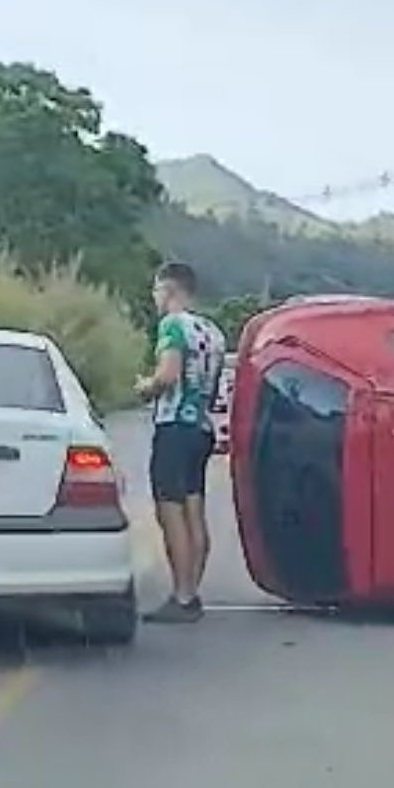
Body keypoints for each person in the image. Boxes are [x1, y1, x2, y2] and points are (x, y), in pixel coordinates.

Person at [135, 261, 226, 624]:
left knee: (169, 511)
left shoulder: (172, 326)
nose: (155, 298)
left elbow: (169, 375)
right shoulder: (213, 332)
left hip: (174, 426)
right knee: (194, 510)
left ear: (170, 290)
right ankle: (192, 590)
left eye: (157, 291)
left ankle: (182, 595)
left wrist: (147, 387)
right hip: (200, 426)